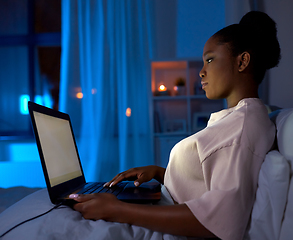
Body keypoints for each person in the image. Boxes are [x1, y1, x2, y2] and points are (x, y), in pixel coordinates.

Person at [69, 11, 281, 239]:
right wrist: (161, 173)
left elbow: (218, 221)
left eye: (210, 60)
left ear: (242, 61)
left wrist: (116, 210)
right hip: (163, 207)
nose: (201, 71)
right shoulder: (237, 119)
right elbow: (206, 182)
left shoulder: (242, 127)